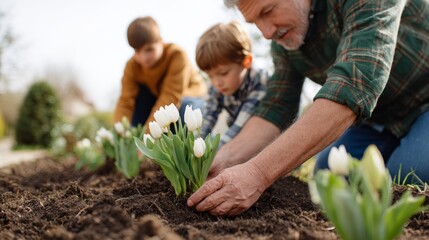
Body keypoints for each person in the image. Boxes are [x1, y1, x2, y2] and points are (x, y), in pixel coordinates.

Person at [187, 0, 429, 216]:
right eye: (255, 22)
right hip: (379, 120)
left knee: (408, 174)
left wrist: (257, 173)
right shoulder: (285, 42)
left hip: (424, 102)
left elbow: (354, 84)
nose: (267, 32)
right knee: (328, 175)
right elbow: (276, 107)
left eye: (268, 11)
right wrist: (226, 157)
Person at [113, 16, 206, 128]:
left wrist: (148, 137)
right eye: (137, 51)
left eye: (149, 49)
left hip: (188, 98)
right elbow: (125, 101)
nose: (144, 58)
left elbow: (170, 97)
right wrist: (118, 135)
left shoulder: (177, 55)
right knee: (138, 102)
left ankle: (192, 142)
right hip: (160, 100)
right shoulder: (132, 66)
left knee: (185, 108)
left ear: (161, 42)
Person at [196, 21, 269, 147]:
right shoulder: (217, 88)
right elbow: (208, 118)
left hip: (268, 137)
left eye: (223, 73)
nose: (216, 82)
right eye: (210, 76)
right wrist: (195, 147)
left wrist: (216, 153)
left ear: (246, 62)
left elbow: (240, 126)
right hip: (239, 136)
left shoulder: (260, 81)